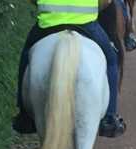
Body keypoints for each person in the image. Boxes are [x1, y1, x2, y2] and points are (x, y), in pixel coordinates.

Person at [13, 0, 126, 138]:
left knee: (26, 55)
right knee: (111, 60)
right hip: (86, 23)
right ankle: (109, 117)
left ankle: (24, 115)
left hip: (49, 22)